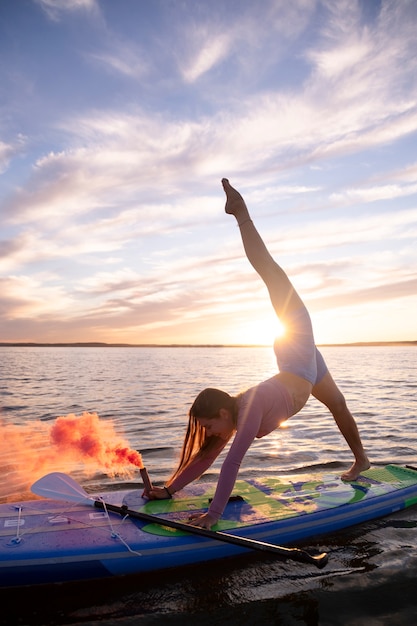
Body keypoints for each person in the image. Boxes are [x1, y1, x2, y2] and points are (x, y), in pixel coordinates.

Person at [145, 178, 370, 529]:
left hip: (296, 345)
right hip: (299, 367)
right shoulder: (230, 418)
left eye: (209, 426)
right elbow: (206, 459)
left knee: (270, 273)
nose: (211, 433)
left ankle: (241, 213)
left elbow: (232, 462)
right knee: (337, 403)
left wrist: (213, 515)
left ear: (222, 411)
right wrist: (168, 489)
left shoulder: (247, 410)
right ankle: (362, 460)